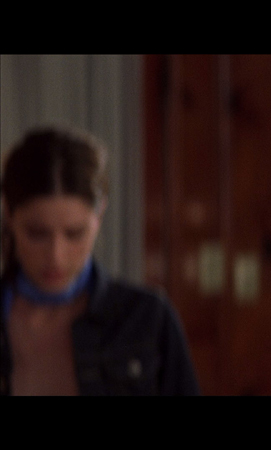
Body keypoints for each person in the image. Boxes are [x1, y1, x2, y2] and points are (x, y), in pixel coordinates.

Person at [1, 127, 200, 395]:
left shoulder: (147, 319)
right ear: (9, 214)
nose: (56, 256)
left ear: (99, 215)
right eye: (37, 234)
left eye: (75, 234)